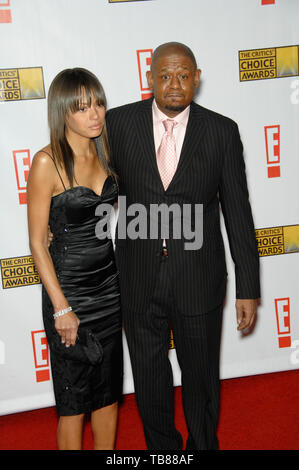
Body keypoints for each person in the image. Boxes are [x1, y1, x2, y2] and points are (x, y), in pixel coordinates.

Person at [102, 42, 260, 450]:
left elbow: (238, 215)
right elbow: (94, 189)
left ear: (197, 77)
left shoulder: (222, 131)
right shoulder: (116, 124)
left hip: (199, 278)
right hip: (138, 277)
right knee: (150, 380)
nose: (175, 84)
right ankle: (164, 453)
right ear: (150, 77)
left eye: (184, 75)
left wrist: (248, 288)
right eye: (166, 75)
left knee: (201, 378)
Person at [27, 68, 123, 450]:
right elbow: (36, 243)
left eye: (98, 103)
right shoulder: (46, 163)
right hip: (69, 294)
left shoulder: (107, 152)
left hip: (110, 290)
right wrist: (61, 309)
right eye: (82, 108)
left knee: (108, 397)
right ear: (62, 112)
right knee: (73, 405)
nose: (95, 114)